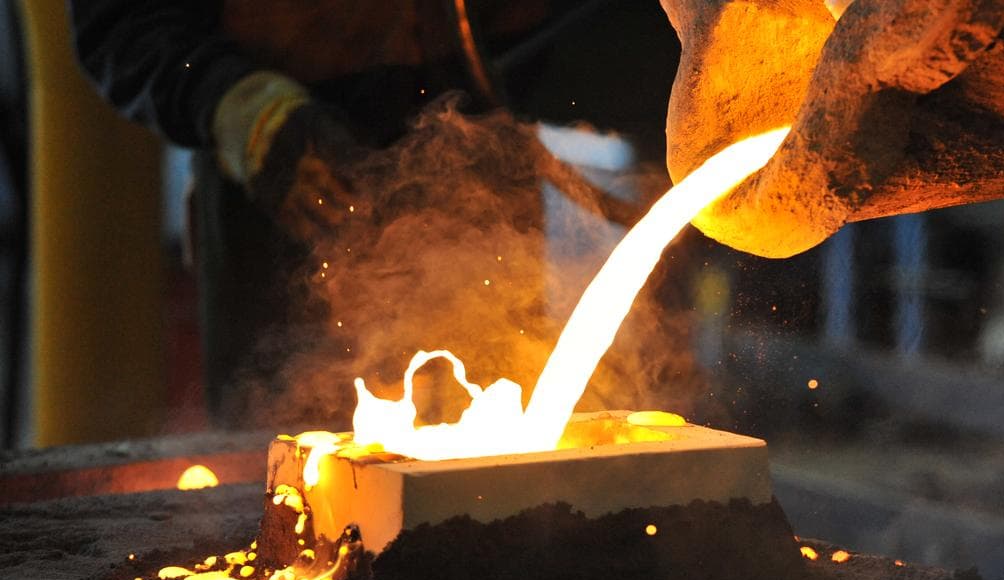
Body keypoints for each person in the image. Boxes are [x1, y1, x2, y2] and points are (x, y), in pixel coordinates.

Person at [67, 0, 681, 427]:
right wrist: (235, 104)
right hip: (290, 176)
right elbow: (120, 22)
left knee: (502, 481)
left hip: (479, 145)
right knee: (292, 477)